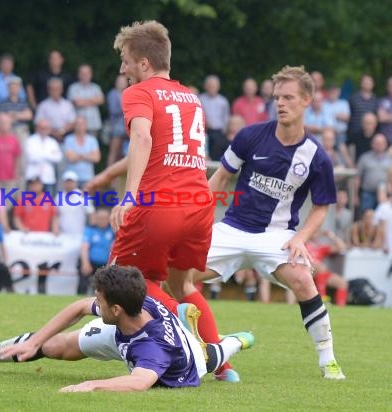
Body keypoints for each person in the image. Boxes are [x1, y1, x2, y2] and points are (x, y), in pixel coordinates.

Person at [88, 65, 346, 380]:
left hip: (276, 237)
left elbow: (321, 207)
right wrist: (197, 216)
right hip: (232, 230)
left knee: (305, 282)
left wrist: (300, 238)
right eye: (277, 97)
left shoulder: (316, 156)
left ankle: (328, 359)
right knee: (176, 279)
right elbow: (220, 177)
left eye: (288, 97)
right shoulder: (251, 136)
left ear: (306, 100)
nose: (280, 103)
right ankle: (204, 353)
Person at [104, 20, 238, 381]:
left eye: (126, 61)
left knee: (118, 282)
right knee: (184, 286)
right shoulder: (190, 97)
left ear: (144, 63)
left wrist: (128, 195)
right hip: (198, 203)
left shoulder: (139, 93)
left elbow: (143, 140)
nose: (123, 70)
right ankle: (223, 367)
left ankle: (175, 326)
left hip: (160, 203)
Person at [0, 265, 254, 393]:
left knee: (209, 357)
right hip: (122, 334)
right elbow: (78, 308)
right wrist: (37, 341)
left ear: (115, 308)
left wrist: (91, 385)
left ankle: (239, 340)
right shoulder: (127, 308)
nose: (93, 301)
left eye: (99, 297)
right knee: (56, 347)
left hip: (176, 358)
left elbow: (140, 382)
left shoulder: (153, 350)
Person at [77, 208, 114, 295]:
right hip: (91, 262)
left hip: (105, 264)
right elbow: (84, 247)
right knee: (83, 276)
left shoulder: (112, 231)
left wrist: (110, 265)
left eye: (104, 218)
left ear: (109, 219)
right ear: (96, 218)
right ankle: (80, 298)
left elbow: (113, 249)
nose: (102, 220)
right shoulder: (90, 230)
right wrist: (85, 263)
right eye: (100, 218)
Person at [24, 119, 63, 193]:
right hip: (33, 177)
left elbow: (58, 158)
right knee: (31, 203)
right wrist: (49, 154)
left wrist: (41, 154)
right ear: (37, 128)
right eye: (42, 128)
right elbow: (31, 157)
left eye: (46, 128)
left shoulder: (52, 142)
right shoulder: (30, 140)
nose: (43, 130)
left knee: (47, 203)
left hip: (48, 178)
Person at [67, 64, 104, 137]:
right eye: (82, 73)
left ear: (91, 75)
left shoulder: (96, 87)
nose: (85, 75)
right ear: (79, 75)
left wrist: (83, 101)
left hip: (93, 124)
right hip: (77, 124)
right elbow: (77, 103)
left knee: (92, 145)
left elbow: (101, 100)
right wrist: (93, 100)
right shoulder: (73, 88)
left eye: (87, 73)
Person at [34, 78, 76, 142]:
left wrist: (61, 132)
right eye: (53, 89)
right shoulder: (43, 105)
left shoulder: (68, 105)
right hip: (47, 137)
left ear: (61, 90)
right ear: (48, 90)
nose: (55, 92)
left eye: (57, 89)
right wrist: (54, 133)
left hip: (66, 136)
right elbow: (38, 123)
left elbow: (72, 122)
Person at [62, 117, 101, 188]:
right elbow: (70, 158)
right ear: (74, 126)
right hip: (72, 178)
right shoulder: (68, 139)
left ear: (86, 125)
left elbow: (96, 158)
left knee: (87, 199)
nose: (80, 126)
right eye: (78, 124)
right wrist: (88, 155)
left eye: (82, 124)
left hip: (88, 178)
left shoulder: (92, 140)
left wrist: (78, 155)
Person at [199, 75, 230, 160]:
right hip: (204, 131)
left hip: (219, 132)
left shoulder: (223, 101)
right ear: (205, 86)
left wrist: (224, 132)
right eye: (210, 85)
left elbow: (226, 118)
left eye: (214, 86)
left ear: (218, 87)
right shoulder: (200, 99)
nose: (212, 88)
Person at [106, 74, 129, 167]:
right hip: (117, 127)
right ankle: (109, 178)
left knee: (121, 154)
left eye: (123, 81)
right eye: (119, 82)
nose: (121, 83)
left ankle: (118, 179)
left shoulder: (127, 93)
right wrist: (126, 108)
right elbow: (113, 110)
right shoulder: (112, 94)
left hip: (126, 126)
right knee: (113, 153)